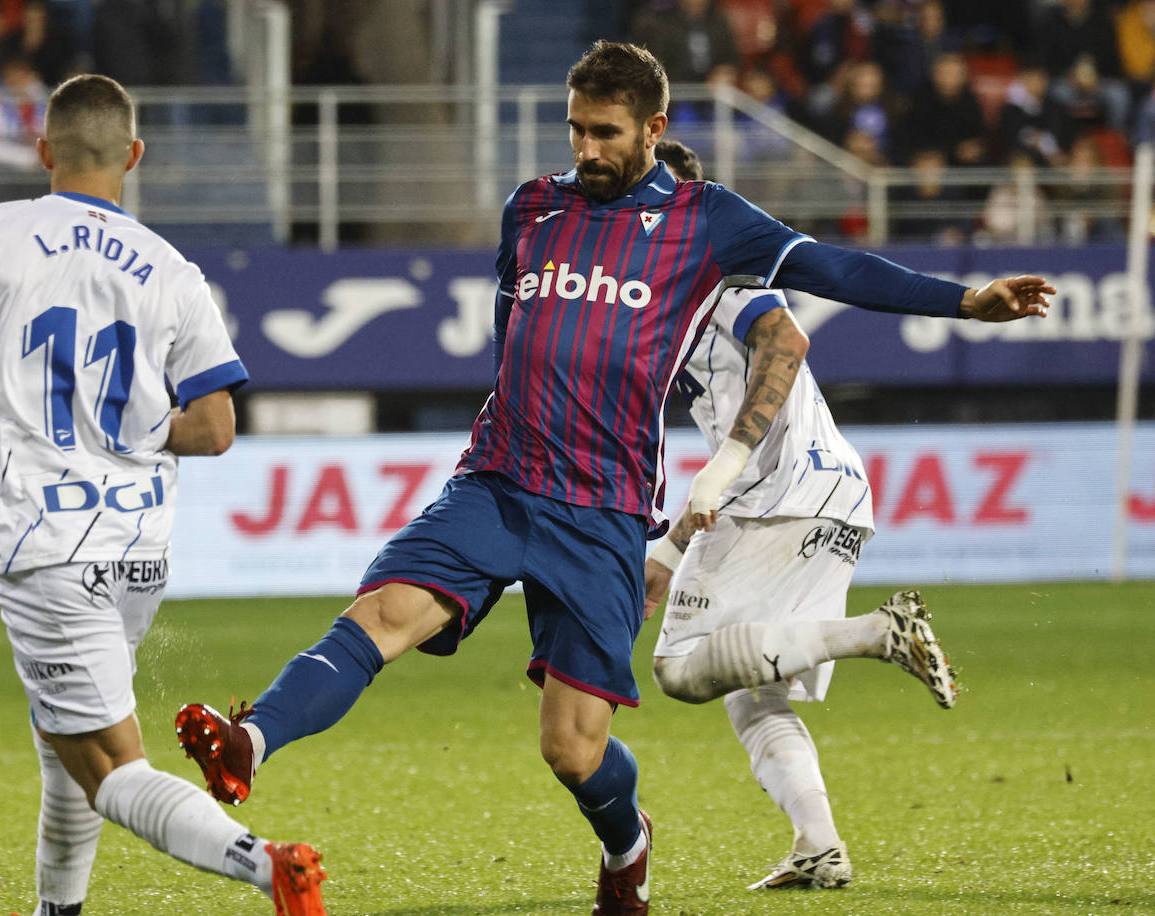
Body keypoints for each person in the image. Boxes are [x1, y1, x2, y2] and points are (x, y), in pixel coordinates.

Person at [175, 41, 1051, 915]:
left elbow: (834, 268)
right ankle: (250, 742)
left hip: (601, 512)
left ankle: (628, 844)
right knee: (382, 614)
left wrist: (965, 300)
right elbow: (510, 328)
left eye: (605, 132)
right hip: (500, 480)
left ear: (653, 129)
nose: (585, 150)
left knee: (573, 749)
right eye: (575, 130)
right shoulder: (533, 208)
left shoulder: (708, 222)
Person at [0, 73, 326, 916]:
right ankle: (59, 909)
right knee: (60, 743)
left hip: (45, 545)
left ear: (44, 149)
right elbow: (213, 426)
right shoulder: (173, 269)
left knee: (108, 771)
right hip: (137, 551)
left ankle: (268, 864)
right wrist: (129, 430)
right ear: (133, 155)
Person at [648, 137, 970, 890]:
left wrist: (724, 471)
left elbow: (785, 338)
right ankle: (818, 847)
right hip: (829, 493)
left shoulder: (723, 290)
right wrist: (667, 549)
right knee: (751, 693)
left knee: (677, 668)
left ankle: (876, 633)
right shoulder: (674, 307)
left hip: (778, 498)